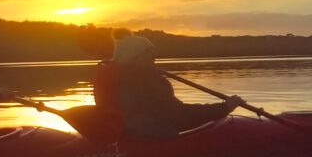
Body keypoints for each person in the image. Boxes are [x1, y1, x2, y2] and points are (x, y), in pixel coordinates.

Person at [101, 33, 243, 139]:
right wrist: (224, 107)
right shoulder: (145, 80)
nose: (154, 57)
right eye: (149, 53)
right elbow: (178, 114)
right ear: (133, 56)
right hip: (148, 134)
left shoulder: (115, 76)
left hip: (126, 131)